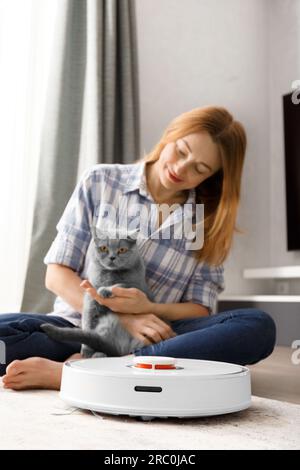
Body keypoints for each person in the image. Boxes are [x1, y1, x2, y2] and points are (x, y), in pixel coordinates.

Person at [0, 105, 276, 390]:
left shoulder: (207, 221)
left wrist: (149, 309)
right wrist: (120, 318)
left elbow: (199, 309)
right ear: (171, 134)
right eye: (181, 151)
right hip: (80, 327)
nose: (181, 168)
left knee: (257, 327)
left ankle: (87, 373)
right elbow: (56, 274)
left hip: (157, 339)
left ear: (212, 176)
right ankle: (130, 370)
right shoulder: (101, 182)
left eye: (200, 168)